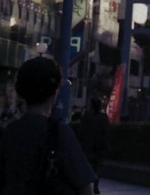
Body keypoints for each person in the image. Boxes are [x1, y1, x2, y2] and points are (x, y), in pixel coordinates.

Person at [0, 56, 95, 195]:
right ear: (55, 93)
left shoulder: (9, 131)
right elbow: (84, 186)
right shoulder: (59, 132)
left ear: (20, 91)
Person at [77, 98, 110, 194]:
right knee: (98, 166)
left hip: (87, 145)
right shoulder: (104, 117)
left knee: (87, 165)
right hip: (99, 146)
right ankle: (96, 185)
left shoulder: (86, 117)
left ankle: (86, 185)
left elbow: (81, 131)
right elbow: (107, 132)